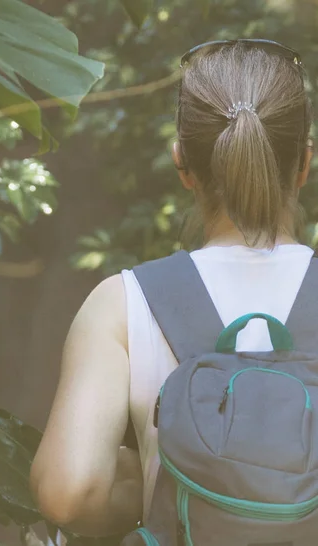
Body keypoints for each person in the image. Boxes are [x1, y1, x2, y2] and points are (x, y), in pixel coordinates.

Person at [29, 39, 314, 539]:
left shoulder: (123, 303)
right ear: (305, 163)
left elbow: (67, 493)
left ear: (182, 163)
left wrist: (133, 496)